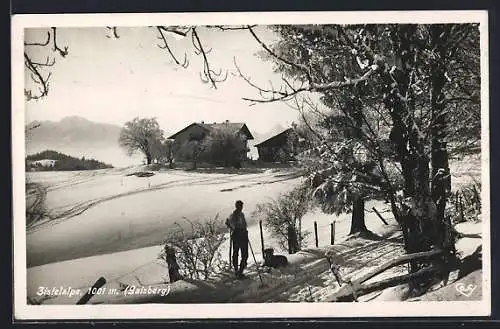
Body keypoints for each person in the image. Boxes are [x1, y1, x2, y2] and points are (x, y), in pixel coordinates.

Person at [225, 200, 248, 278]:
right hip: (237, 236)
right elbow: (229, 224)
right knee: (236, 253)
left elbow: (244, 225)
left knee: (245, 254)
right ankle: (236, 271)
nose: (241, 208)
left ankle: (240, 271)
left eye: (241, 206)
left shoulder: (242, 215)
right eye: (239, 206)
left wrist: (245, 232)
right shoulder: (233, 215)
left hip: (243, 236)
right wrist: (231, 227)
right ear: (236, 206)